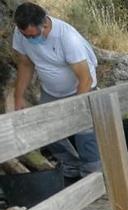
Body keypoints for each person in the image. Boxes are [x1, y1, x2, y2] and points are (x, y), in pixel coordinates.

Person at [12, 1, 100, 184]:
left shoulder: (67, 37)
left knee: (84, 130)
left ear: (44, 23)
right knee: (47, 129)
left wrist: (75, 107)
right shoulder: (21, 33)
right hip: (51, 91)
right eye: (26, 36)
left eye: (33, 35)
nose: (30, 39)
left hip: (80, 87)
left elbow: (85, 79)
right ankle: (71, 165)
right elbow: (25, 64)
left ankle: (95, 175)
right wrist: (18, 97)